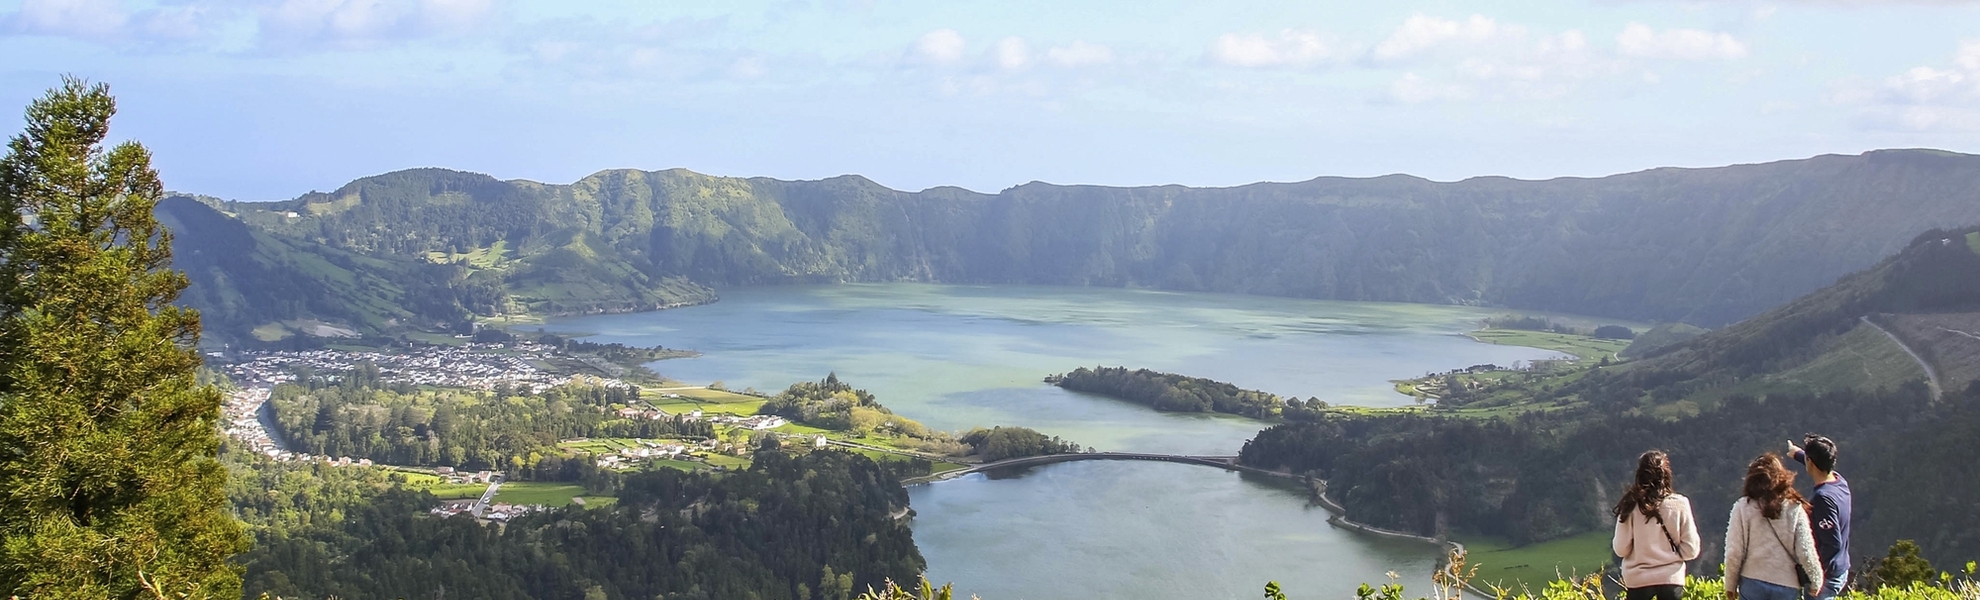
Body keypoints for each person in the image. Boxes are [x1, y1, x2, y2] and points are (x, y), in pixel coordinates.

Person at [1725, 454, 1824, 600]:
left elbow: (1734, 552)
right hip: (1786, 585)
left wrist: (1730, 586)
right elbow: (1806, 549)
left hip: (1752, 580)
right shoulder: (1794, 508)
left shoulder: (1743, 507)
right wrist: (1816, 580)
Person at [1612, 450, 1701, 600]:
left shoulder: (1631, 505)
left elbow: (1621, 549)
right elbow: (1691, 550)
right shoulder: (1680, 504)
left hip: (1638, 581)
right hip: (1671, 580)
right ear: (1667, 474)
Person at [1789, 434, 1852, 600]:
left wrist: (1814, 573)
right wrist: (1797, 454)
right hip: (1841, 566)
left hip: (1826, 578)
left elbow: (1832, 543)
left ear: (1811, 462)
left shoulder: (1822, 498)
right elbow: (1817, 464)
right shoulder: (1839, 481)